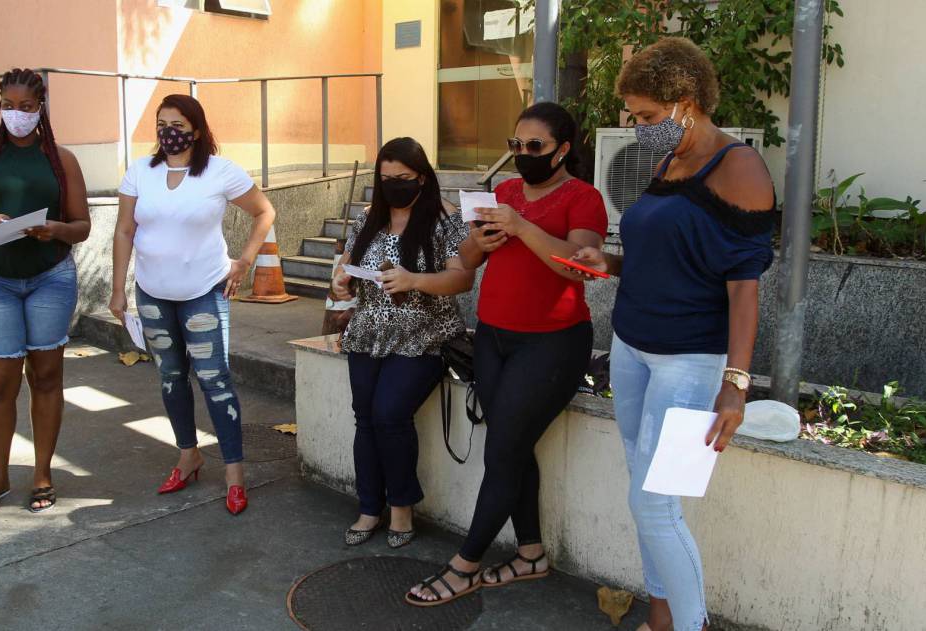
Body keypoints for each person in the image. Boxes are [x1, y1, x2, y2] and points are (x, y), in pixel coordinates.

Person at [571, 37, 776, 631]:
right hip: (633, 348)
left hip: (691, 360)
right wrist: (599, 261)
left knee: (654, 503)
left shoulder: (739, 168)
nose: (639, 128)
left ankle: (690, 625)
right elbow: (648, 255)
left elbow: (744, 286)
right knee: (644, 492)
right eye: (633, 117)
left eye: (648, 117)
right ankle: (661, 614)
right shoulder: (667, 161)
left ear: (686, 102)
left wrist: (735, 383)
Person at [405, 102, 607, 606]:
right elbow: (466, 262)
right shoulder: (505, 193)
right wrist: (481, 240)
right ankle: (531, 553)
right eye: (515, 145)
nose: (521, 155)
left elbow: (578, 269)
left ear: (563, 150)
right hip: (493, 337)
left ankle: (465, 564)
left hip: (553, 343)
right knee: (511, 447)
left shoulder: (584, 198)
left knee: (503, 452)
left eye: (534, 146)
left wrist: (520, 228)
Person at [109, 94, 276, 516]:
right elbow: (124, 230)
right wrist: (118, 288)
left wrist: (245, 260)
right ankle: (189, 455)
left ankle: (235, 474)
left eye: (178, 124)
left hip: (204, 292)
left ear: (196, 130)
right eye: (161, 123)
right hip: (152, 293)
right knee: (170, 377)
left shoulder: (219, 172)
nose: (168, 131)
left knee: (214, 379)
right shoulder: (140, 172)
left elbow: (264, 211)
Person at [0, 68, 92, 514]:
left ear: (41, 108)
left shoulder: (61, 159)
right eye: (8, 106)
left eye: (26, 107)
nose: (16, 115)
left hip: (51, 276)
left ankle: (43, 474)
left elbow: (82, 226)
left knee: (47, 377)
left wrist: (55, 230)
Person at [330, 137, 473, 549]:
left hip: (426, 332)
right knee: (365, 417)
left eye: (403, 178)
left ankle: (402, 508)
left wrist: (414, 280)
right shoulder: (367, 220)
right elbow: (346, 273)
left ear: (422, 178)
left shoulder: (444, 220)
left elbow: (463, 277)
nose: (394, 185)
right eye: (386, 178)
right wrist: (341, 283)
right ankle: (368, 507)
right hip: (369, 332)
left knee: (390, 414)